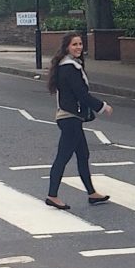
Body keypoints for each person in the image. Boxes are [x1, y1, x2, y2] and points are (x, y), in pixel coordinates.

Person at [45, 32, 113, 210]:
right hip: (69, 118)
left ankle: (91, 193)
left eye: (80, 44)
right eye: (74, 44)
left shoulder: (69, 65)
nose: (78, 47)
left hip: (72, 118)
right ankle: (52, 195)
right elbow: (81, 95)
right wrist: (102, 106)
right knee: (63, 157)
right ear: (67, 47)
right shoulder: (69, 68)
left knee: (83, 155)